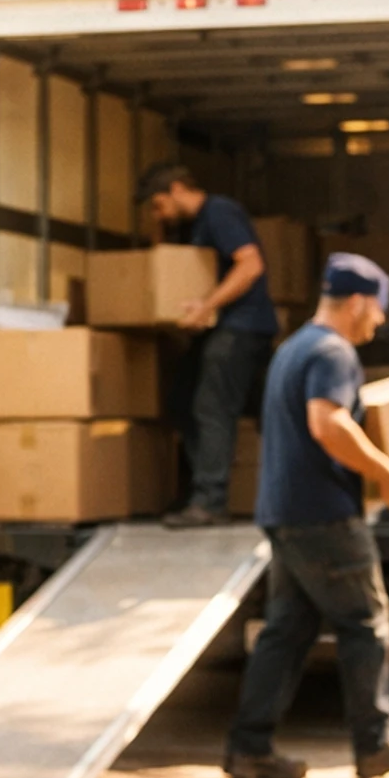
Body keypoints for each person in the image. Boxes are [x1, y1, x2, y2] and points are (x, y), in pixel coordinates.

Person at [224, 251, 389, 778]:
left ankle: (249, 748)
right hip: (324, 515)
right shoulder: (334, 352)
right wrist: (388, 473)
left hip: (285, 512)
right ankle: (375, 745)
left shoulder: (293, 348)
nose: (381, 320)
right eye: (379, 309)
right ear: (360, 302)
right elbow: (328, 423)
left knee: (287, 631)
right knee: (366, 623)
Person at [135, 162, 278, 527]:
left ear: (176, 190)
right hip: (222, 329)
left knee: (211, 408)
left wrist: (207, 306)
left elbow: (250, 265)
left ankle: (210, 501)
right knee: (181, 400)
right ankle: (200, 490)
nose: (158, 215)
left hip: (241, 327)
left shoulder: (220, 212)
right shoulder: (193, 227)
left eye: (158, 205)